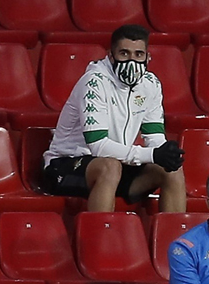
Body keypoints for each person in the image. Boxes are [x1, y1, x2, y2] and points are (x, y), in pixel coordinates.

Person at [41, 25, 186, 212]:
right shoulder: (93, 82)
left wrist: (166, 153)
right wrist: (152, 155)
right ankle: (100, 238)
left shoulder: (151, 84)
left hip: (117, 165)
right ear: (111, 56)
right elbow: (98, 145)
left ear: (147, 57)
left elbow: (154, 138)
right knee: (109, 167)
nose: (132, 61)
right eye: (124, 53)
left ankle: (176, 240)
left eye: (138, 54)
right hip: (65, 165)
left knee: (171, 171)